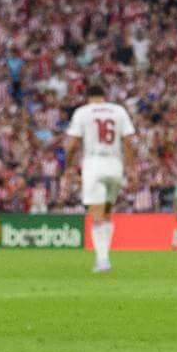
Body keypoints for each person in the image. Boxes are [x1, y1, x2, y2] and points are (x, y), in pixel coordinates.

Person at [64, 84, 135, 273]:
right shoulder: (119, 111)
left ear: (88, 97)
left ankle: (103, 260)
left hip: (94, 165)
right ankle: (104, 256)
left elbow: (72, 145)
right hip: (115, 165)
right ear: (105, 96)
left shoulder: (83, 112)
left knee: (96, 214)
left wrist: (68, 166)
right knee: (107, 212)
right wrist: (132, 169)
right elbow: (129, 142)